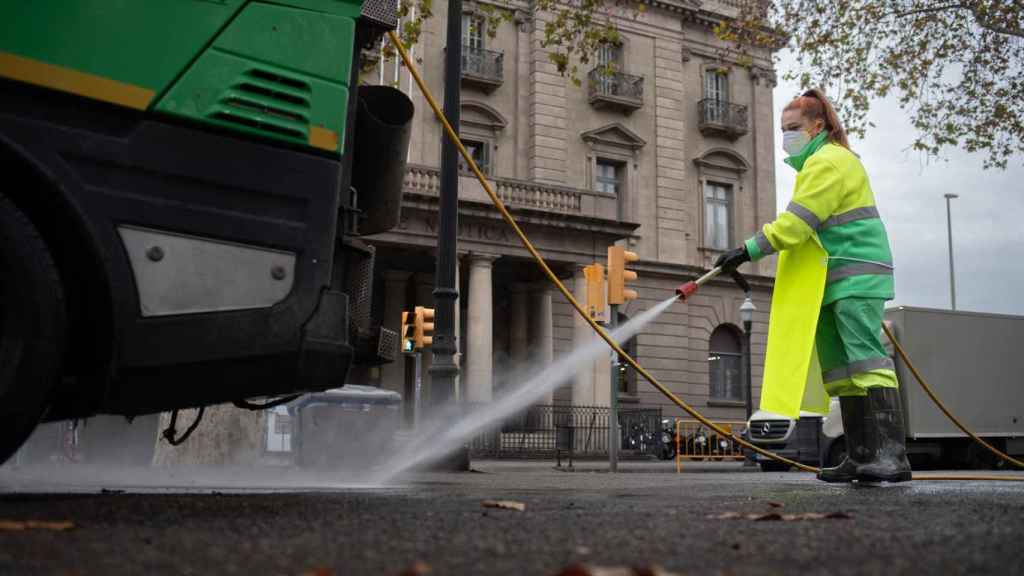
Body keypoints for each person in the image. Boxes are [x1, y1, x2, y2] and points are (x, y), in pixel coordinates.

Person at [715, 88, 911, 483]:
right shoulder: (818, 165)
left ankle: (892, 457)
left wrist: (745, 250)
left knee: (868, 363)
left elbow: (796, 224)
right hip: (833, 280)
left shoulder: (829, 162)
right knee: (843, 371)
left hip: (855, 276)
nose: (786, 136)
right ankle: (860, 456)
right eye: (783, 129)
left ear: (817, 126)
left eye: (793, 128)